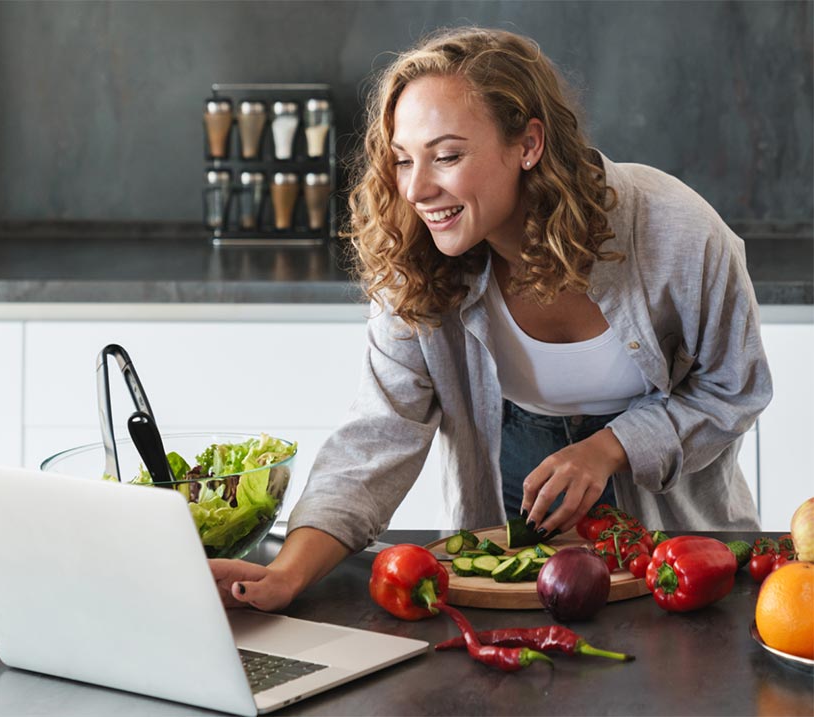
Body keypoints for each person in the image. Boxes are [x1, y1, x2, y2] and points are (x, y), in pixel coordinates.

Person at [210, 26, 772, 611]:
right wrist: (286, 573)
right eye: (404, 160)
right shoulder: (414, 260)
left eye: (447, 156)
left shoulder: (677, 233)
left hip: (680, 553)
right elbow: (380, 434)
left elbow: (734, 390)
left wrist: (610, 448)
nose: (418, 189)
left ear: (528, 144)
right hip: (504, 515)